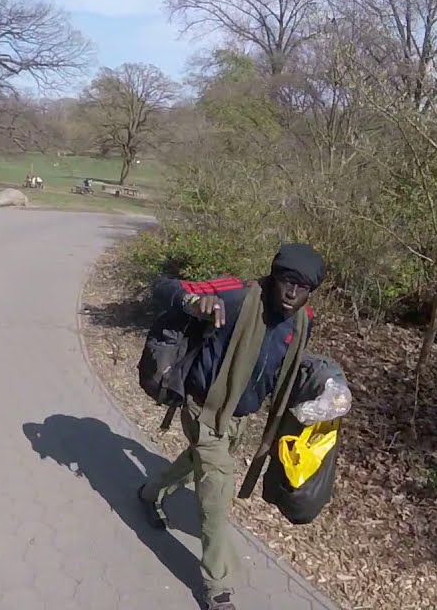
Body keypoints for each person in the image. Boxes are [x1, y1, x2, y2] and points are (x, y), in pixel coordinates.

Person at [137, 243, 325, 610]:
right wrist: (193, 303)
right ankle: (216, 585)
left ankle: (149, 493)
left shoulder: (304, 321)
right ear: (274, 277)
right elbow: (162, 287)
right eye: (287, 281)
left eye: (302, 287)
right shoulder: (235, 293)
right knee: (217, 492)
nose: (292, 293)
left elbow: (285, 367)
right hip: (203, 408)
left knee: (195, 463)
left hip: (239, 418)